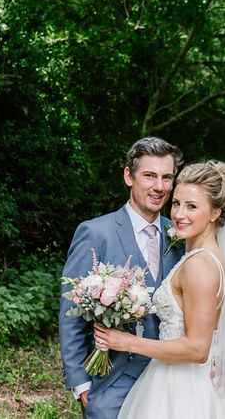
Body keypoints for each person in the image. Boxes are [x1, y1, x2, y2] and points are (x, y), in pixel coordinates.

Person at [94, 161, 225, 419]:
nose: (179, 214)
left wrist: (128, 342)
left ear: (215, 213)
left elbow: (197, 349)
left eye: (192, 206)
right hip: (181, 379)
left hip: (181, 389)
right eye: (177, 203)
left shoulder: (200, 265)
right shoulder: (209, 256)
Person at [59, 136, 185, 419]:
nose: (159, 187)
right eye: (150, 176)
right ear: (129, 176)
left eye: (167, 178)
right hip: (113, 385)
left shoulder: (181, 236)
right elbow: (71, 315)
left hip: (172, 383)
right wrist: (81, 385)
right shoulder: (95, 233)